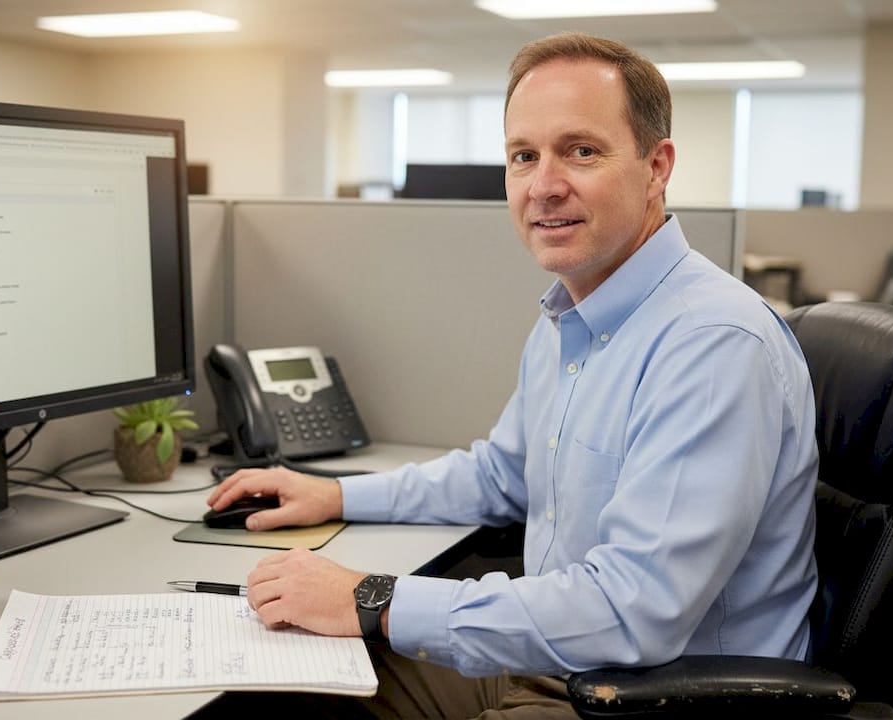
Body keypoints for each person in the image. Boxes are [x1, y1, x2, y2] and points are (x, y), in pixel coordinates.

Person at [201, 31, 820, 719]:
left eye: (581, 151)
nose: (545, 185)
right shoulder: (571, 315)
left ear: (657, 166)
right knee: (279, 677)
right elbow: (499, 475)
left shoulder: (711, 345)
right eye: (524, 156)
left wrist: (372, 597)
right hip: (560, 666)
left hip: (654, 697)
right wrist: (335, 495)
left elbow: (633, 611)